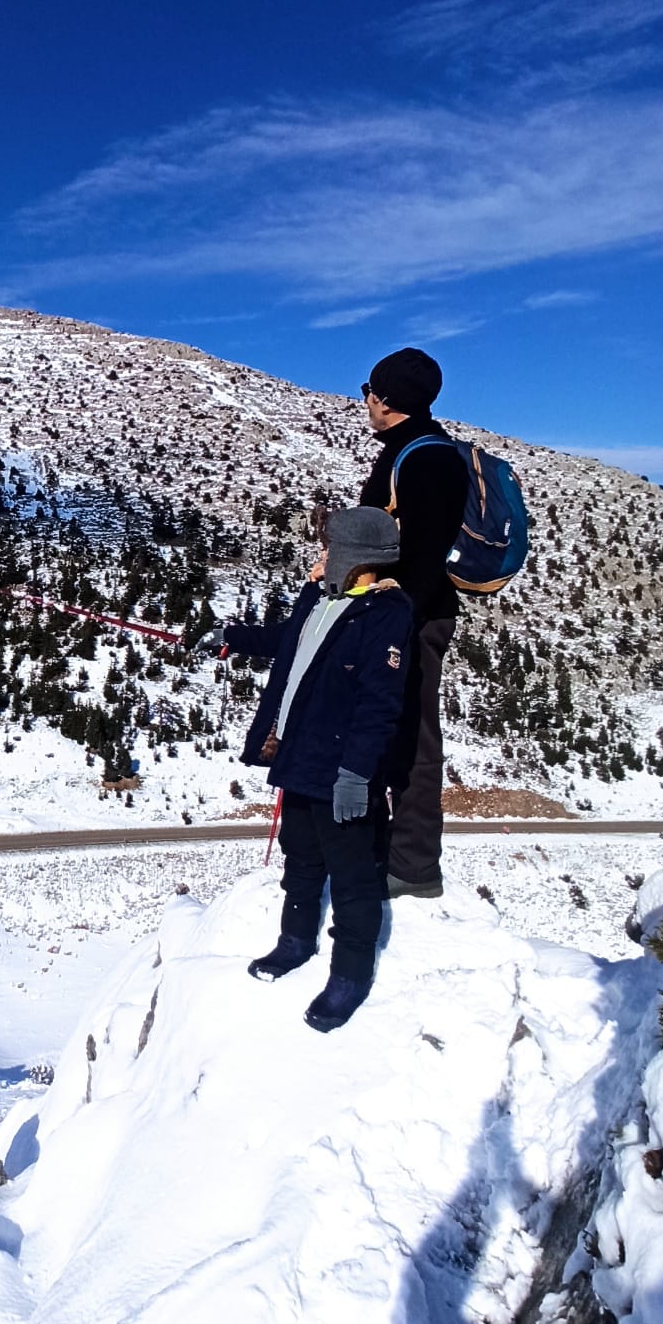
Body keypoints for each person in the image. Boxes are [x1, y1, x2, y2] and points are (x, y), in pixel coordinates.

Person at [222, 507, 412, 1032]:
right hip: (298, 757)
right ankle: (294, 942)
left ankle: (350, 975)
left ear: (357, 557)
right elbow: (286, 643)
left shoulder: (386, 615)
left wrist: (355, 774)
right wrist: (231, 637)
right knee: (300, 859)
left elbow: (380, 705)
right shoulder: (320, 599)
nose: (321, 556)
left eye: (331, 548)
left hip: (341, 772)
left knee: (353, 878)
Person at [357, 348, 468, 898]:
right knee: (389, 732)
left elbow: (422, 556)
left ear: (384, 400)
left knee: (415, 740)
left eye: (367, 393)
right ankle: (389, 854)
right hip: (406, 615)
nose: (366, 403)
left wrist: (395, 614)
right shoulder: (417, 449)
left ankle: (414, 868)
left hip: (412, 620)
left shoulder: (422, 458)